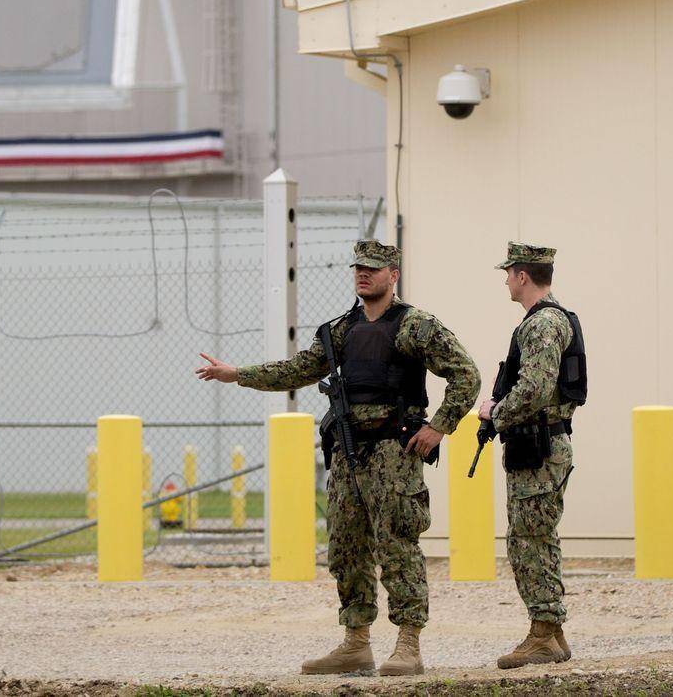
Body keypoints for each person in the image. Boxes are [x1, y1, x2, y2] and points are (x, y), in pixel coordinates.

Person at [195, 240, 480, 676]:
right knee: (346, 546)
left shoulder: (415, 326)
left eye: (373, 268)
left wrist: (440, 425)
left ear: (393, 274)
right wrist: (238, 375)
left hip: (393, 451)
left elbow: (466, 373)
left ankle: (408, 643)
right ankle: (356, 642)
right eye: (358, 268)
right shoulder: (341, 330)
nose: (363, 274)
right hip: (348, 453)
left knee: (397, 544)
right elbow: (298, 369)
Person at [482, 242, 586, 669]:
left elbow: (535, 389)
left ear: (523, 276)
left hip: (539, 447)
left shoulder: (542, 324)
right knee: (537, 537)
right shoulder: (553, 320)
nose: (506, 280)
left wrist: (495, 413)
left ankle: (543, 632)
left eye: (509, 273)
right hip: (540, 445)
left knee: (528, 541)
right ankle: (552, 631)